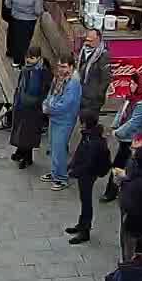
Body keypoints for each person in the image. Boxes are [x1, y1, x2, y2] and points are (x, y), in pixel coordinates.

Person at [66, 119, 113, 244]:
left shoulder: (94, 141)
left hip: (88, 174)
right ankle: (81, 225)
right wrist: (71, 165)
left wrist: (75, 171)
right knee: (84, 199)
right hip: (84, 172)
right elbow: (79, 152)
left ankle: (85, 231)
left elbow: (89, 162)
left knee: (86, 201)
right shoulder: (88, 135)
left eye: (82, 122)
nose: (80, 125)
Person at [42, 57, 82, 189]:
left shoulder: (73, 83)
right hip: (55, 117)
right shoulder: (59, 78)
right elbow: (51, 93)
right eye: (59, 66)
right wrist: (46, 103)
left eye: (64, 66)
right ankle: (55, 172)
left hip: (64, 120)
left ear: (71, 67)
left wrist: (49, 108)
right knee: (53, 147)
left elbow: (66, 104)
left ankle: (61, 178)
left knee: (59, 149)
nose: (60, 69)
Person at [8, 57, 51, 168]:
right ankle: (20, 151)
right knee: (21, 131)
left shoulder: (41, 72)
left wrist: (36, 102)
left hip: (33, 108)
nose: (28, 60)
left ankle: (27, 157)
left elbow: (44, 90)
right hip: (22, 104)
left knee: (28, 133)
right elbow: (20, 85)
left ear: (38, 58)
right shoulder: (26, 70)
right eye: (28, 57)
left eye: (32, 58)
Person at [77, 28, 111, 128]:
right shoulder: (83, 51)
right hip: (82, 94)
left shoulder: (103, 55)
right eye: (87, 40)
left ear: (98, 40)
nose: (87, 43)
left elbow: (106, 79)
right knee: (82, 123)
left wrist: (98, 97)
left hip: (93, 99)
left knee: (90, 125)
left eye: (90, 41)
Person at [4, 0, 43, 66]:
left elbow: (7, 4)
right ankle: (19, 60)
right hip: (29, 21)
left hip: (15, 18)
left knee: (14, 37)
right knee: (24, 41)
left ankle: (12, 53)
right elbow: (38, 11)